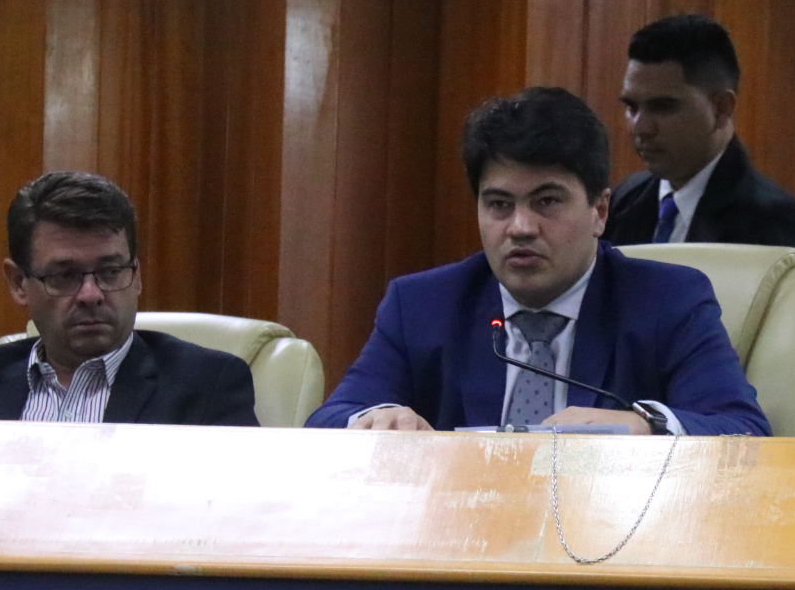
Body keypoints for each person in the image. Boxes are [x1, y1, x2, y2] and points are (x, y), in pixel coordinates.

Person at [308, 86, 769, 436]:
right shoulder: (422, 305)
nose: (521, 227)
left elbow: (742, 429)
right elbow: (326, 421)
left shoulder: (667, 301)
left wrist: (643, 425)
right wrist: (375, 418)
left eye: (546, 201)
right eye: (499, 204)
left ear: (599, 211)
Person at [0, 171, 258, 425]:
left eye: (111, 271)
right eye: (64, 276)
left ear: (136, 275)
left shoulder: (207, 386)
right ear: (18, 283)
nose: (91, 294)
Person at [605, 13, 795, 266]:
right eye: (631, 107)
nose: (640, 127)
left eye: (663, 107)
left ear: (721, 108)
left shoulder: (772, 223)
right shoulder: (624, 199)